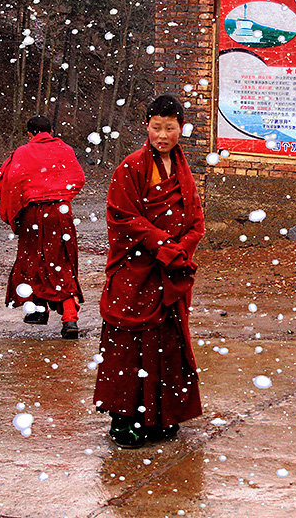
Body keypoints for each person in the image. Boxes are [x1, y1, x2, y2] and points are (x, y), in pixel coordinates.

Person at [93, 95, 205, 448]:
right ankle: (124, 418)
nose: (163, 135)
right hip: (136, 271)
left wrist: (181, 250)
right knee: (128, 345)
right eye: (156, 127)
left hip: (169, 274)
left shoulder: (184, 170)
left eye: (170, 128)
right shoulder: (131, 167)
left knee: (167, 345)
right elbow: (123, 217)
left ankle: (161, 415)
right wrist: (162, 246)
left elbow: (197, 221)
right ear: (147, 126)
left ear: (180, 130)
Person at [0, 115, 85, 339]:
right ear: (51, 131)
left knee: (32, 260)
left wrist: (20, 206)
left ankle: (38, 310)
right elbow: (78, 178)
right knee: (61, 261)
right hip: (60, 212)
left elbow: (11, 182)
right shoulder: (65, 150)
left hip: (33, 214)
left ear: (29, 134)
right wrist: (60, 196)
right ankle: (69, 318)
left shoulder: (23, 152)